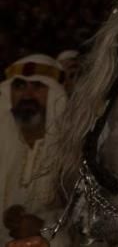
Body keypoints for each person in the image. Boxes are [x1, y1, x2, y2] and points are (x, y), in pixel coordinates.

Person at [0, 55, 69, 246]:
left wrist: (43, 227)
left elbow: (87, 219)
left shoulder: (72, 150)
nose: (27, 95)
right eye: (20, 86)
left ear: (55, 94)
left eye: (38, 86)